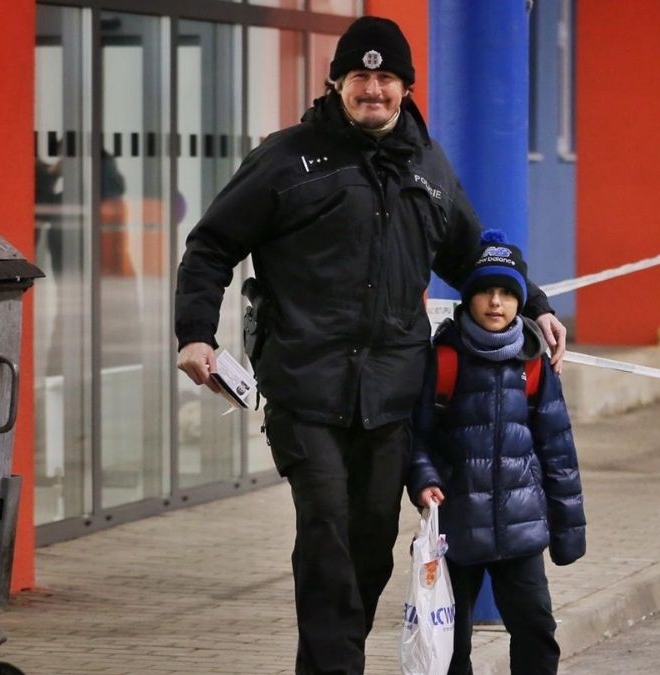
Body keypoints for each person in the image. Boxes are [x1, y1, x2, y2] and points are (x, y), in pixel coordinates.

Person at [173, 16, 567, 675]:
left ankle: (332, 660)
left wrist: (536, 304)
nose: (373, 89)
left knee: (371, 542)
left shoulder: (428, 165)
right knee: (326, 527)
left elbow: (473, 256)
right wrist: (195, 333)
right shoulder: (287, 158)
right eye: (359, 76)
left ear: (406, 88)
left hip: (390, 392)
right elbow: (211, 245)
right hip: (305, 384)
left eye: (387, 80)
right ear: (337, 83)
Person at [408, 232, 586, 675]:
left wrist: (568, 532)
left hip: (521, 532)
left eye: (506, 293)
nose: (495, 302)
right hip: (457, 531)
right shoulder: (444, 360)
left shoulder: (532, 362)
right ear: (468, 297)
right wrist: (424, 480)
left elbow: (558, 451)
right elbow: (417, 437)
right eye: (485, 291)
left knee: (536, 632)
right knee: (450, 644)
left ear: (519, 302)